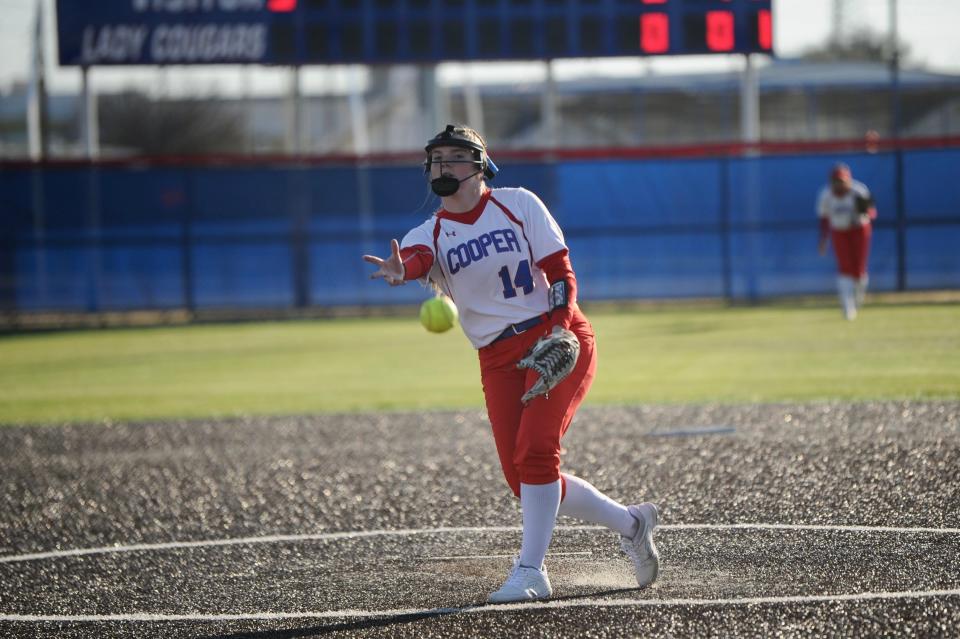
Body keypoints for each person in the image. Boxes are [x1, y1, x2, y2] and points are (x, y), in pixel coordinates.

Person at [362, 124, 659, 604]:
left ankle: (530, 572)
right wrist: (403, 270)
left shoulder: (518, 203)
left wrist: (562, 327)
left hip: (554, 334)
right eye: (437, 159)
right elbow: (417, 257)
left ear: (480, 166)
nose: (445, 167)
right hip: (496, 357)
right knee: (525, 482)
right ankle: (632, 523)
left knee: (537, 453)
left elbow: (561, 272)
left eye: (456, 157)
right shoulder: (430, 231)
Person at [817, 163, 877, 320]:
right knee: (844, 268)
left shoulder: (858, 191)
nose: (838, 185)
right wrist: (823, 239)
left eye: (841, 181)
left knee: (859, 269)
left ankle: (857, 299)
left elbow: (872, 212)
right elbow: (824, 219)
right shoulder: (826, 195)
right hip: (839, 231)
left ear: (848, 180)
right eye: (836, 181)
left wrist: (864, 212)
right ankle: (847, 306)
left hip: (859, 230)